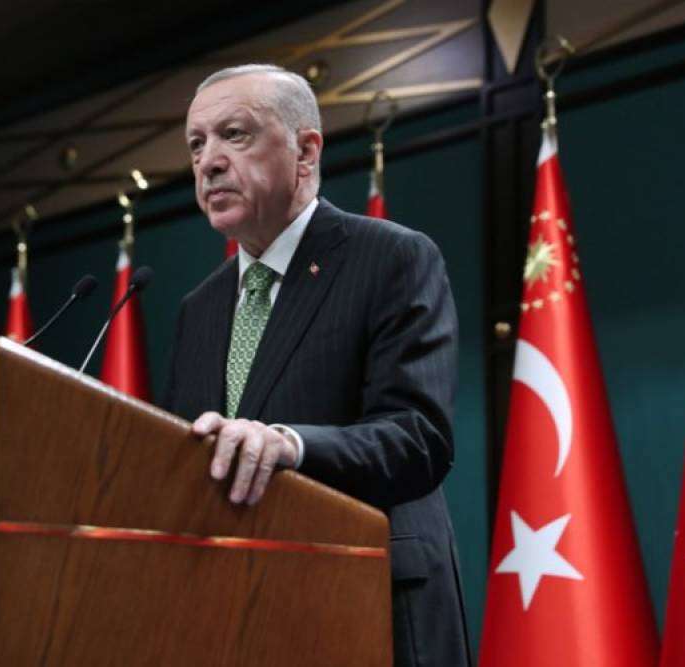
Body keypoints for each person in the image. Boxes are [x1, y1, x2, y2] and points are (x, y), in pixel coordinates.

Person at [162, 64, 472, 667]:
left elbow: (418, 438)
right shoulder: (198, 309)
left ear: (305, 151)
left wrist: (290, 445)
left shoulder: (391, 257)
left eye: (234, 134)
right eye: (196, 145)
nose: (209, 162)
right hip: (238, 615)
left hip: (367, 601)